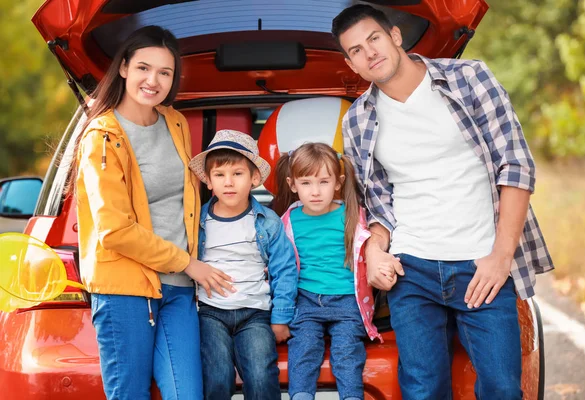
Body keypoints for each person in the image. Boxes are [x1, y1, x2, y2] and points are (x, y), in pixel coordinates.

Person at [332, 5, 554, 399]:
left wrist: (502, 256)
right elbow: (379, 204)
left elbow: (516, 166)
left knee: (503, 388)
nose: (369, 53)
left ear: (396, 36)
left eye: (374, 39)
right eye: (355, 51)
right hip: (411, 270)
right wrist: (376, 250)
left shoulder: (469, 78)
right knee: (422, 390)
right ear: (352, 65)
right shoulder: (357, 120)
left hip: (481, 264)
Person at [70, 26, 234, 400]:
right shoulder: (102, 136)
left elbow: (188, 202)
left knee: (187, 395)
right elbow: (114, 230)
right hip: (125, 291)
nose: (153, 80)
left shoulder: (174, 122)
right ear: (124, 67)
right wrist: (188, 263)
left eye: (165, 72)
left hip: (178, 291)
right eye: (144, 68)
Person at [188, 129, 298, 400]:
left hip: (254, 313)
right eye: (219, 175)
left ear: (254, 179)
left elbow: (284, 269)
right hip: (211, 313)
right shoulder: (196, 222)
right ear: (209, 182)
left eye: (237, 174)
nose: (229, 183)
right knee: (217, 376)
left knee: (262, 375)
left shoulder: (267, 221)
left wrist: (281, 317)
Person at [275, 142, 381, 400]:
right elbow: (280, 267)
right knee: (303, 348)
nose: (315, 191)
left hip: (347, 301)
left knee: (347, 351)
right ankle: (300, 395)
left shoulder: (352, 216)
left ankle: (352, 396)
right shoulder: (288, 220)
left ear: (338, 182)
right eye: (306, 183)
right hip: (306, 300)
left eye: (323, 182)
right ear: (292, 184)